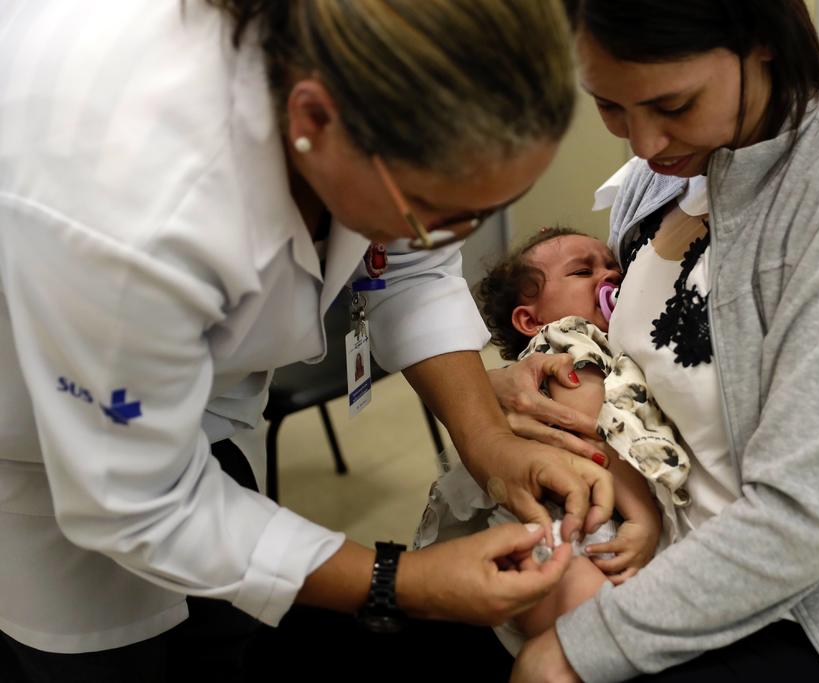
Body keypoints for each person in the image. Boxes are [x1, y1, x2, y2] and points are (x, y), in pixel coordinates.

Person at [0, 1, 616, 680]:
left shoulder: (366, 92)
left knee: (223, 629)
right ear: (314, 119)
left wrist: (490, 445)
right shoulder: (130, 207)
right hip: (43, 437)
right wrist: (399, 582)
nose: (451, 237)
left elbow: (406, 261)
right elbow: (139, 499)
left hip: (205, 399)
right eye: (435, 213)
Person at [498, 1, 819, 681]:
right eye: (610, 106)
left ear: (760, 39)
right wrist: (519, 386)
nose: (643, 142)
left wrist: (581, 645)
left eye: (674, 104)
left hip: (816, 608)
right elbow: (619, 362)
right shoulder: (664, 177)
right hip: (661, 556)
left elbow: (806, 517)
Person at [417, 227, 697, 652]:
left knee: (572, 633)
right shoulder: (566, 339)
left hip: (561, 522)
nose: (609, 275)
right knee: (590, 633)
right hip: (572, 521)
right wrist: (642, 516)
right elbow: (594, 432)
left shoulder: (609, 345)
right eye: (583, 271)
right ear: (530, 320)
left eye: (612, 266)